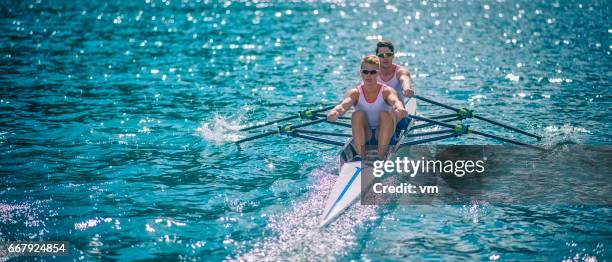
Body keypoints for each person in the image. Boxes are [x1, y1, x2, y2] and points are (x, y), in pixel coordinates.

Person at [326, 55, 406, 159]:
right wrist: (334, 112)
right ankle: (361, 156)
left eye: (372, 72)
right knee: (357, 115)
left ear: (378, 73)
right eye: (365, 72)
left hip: (384, 132)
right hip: (366, 133)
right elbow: (342, 106)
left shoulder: (387, 91)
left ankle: (380, 156)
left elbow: (395, 101)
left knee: (385, 115)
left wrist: (399, 109)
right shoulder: (355, 93)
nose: (368, 75)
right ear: (361, 73)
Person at [375, 40, 415, 131]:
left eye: (388, 54)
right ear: (376, 57)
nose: (385, 58)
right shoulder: (371, 73)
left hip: (398, 117)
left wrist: (407, 88)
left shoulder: (400, 71)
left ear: (393, 55)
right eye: (381, 55)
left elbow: (404, 79)